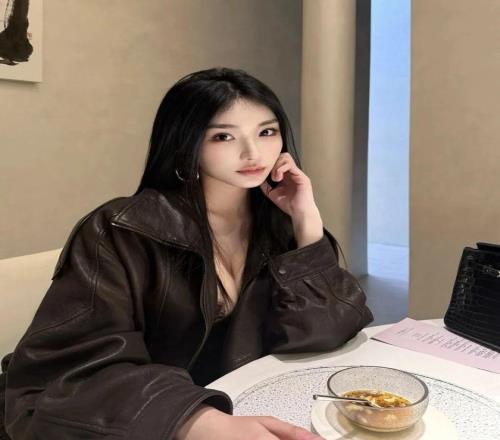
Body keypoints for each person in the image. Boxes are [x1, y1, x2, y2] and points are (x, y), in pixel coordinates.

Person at [0, 67, 373, 440]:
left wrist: (306, 222)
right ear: (186, 143)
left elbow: (327, 334)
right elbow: (75, 372)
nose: (253, 152)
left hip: (250, 406)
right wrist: (195, 421)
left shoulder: (278, 225)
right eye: (223, 136)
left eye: (266, 132)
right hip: (151, 425)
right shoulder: (120, 230)